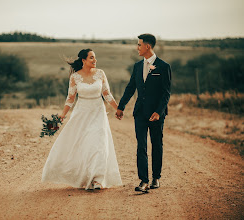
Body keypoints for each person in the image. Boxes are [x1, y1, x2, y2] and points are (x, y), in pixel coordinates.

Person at [42, 49, 122, 190]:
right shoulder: (75, 77)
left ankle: (97, 179)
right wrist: (62, 115)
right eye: (91, 58)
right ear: (84, 60)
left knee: (99, 143)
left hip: (98, 112)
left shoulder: (100, 74)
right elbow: (70, 99)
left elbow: (107, 94)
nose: (95, 60)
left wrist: (118, 108)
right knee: (85, 145)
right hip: (82, 113)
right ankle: (86, 176)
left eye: (95, 58)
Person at [116, 34, 171, 192]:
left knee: (156, 145)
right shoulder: (138, 66)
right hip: (140, 112)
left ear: (148, 46)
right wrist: (121, 106)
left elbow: (166, 93)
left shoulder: (163, 66)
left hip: (156, 114)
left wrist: (159, 112)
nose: (137, 47)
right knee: (141, 146)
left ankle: (156, 178)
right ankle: (144, 181)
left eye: (139, 45)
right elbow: (130, 87)